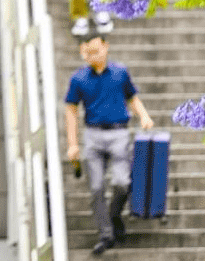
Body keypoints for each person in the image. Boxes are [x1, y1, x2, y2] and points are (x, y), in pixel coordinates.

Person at [65, 32, 154, 255]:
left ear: (106, 47)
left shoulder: (120, 72)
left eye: (96, 50)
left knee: (122, 183)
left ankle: (115, 216)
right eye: (88, 52)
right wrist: (73, 143)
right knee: (96, 188)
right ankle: (106, 234)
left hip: (118, 133)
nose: (93, 55)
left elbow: (132, 97)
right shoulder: (78, 79)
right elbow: (71, 111)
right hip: (93, 135)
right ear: (82, 52)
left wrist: (143, 115)